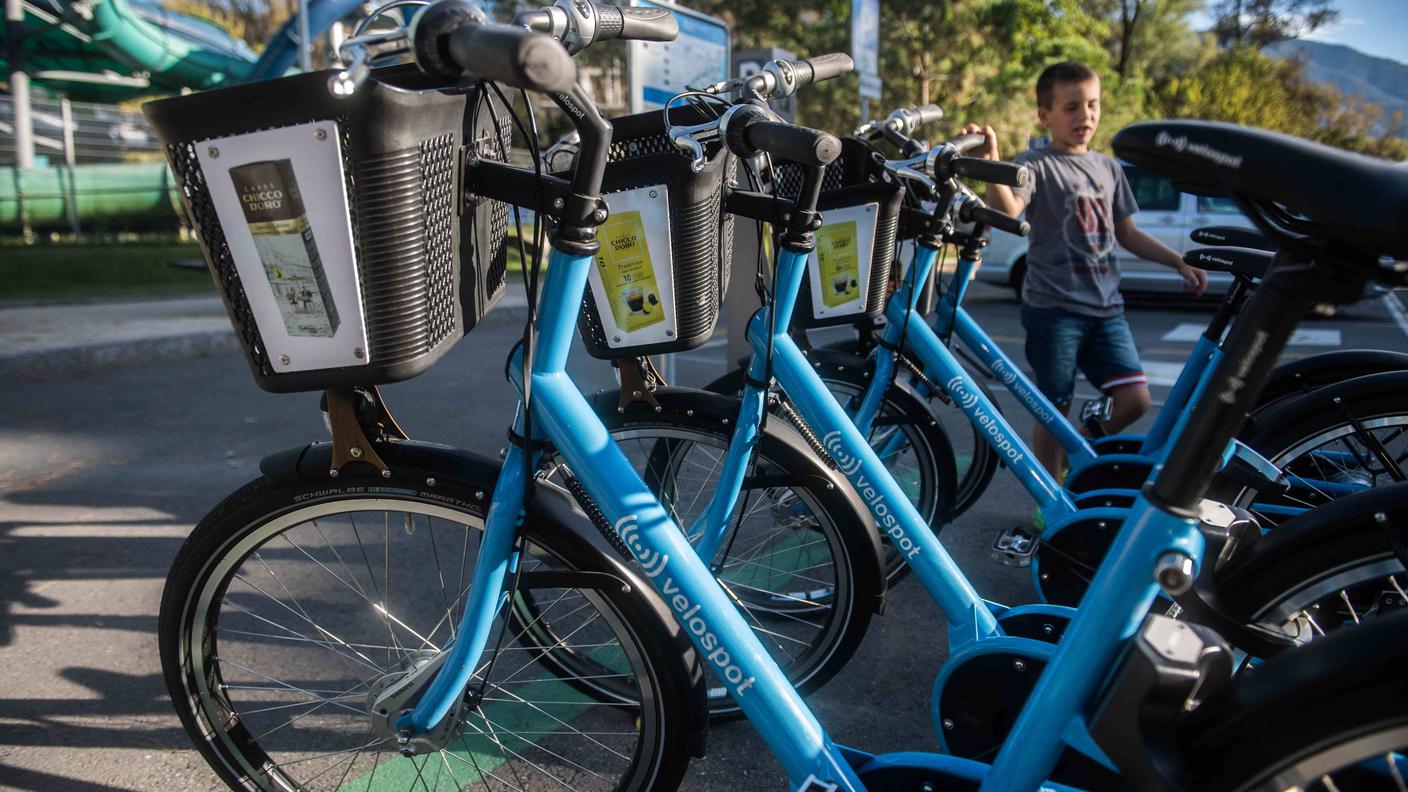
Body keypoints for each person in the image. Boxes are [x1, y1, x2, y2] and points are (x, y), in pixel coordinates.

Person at [962, 61, 1208, 486]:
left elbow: (1127, 234)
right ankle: (1050, 492)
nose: (1086, 116)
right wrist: (993, 162)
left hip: (1107, 310)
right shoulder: (1035, 164)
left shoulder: (1109, 169)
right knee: (1052, 407)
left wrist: (1177, 262)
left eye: (1092, 105)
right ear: (1046, 115)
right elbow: (1009, 210)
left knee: (1135, 401)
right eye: (1072, 107)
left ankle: (1079, 446)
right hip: (1054, 310)